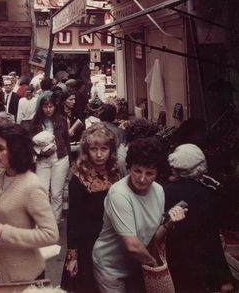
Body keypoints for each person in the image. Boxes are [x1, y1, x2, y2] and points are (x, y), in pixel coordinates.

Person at [92, 137, 187, 293]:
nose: (142, 179)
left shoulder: (158, 191)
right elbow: (132, 246)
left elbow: (153, 238)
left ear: (157, 173)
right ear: (129, 168)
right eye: (137, 171)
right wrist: (155, 266)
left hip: (138, 266)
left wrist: (169, 223)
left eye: (149, 173)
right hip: (111, 268)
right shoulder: (119, 194)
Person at [0, 124, 59, 284]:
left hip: (22, 276)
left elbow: (51, 235)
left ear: (16, 151)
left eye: (1, 148)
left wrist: (5, 232)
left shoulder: (32, 186)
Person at [165, 144, 236, 293]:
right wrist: (224, 277)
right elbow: (210, 238)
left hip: (173, 258)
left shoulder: (166, 191)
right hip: (198, 262)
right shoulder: (204, 194)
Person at [61, 124, 120, 293]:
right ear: (86, 151)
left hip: (112, 240)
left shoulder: (116, 174)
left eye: (104, 148)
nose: (100, 154)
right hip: (87, 244)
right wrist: (73, 256)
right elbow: (73, 220)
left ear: (111, 150)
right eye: (94, 149)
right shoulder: (79, 179)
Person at [30, 93, 71, 223]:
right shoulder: (35, 121)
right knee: (41, 191)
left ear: (55, 106)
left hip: (60, 158)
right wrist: (40, 153)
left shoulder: (62, 120)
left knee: (56, 194)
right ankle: (42, 221)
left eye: (51, 106)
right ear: (41, 107)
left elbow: (66, 141)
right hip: (43, 160)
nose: (48, 109)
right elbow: (30, 143)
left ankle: (55, 222)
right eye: (45, 106)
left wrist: (69, 160)